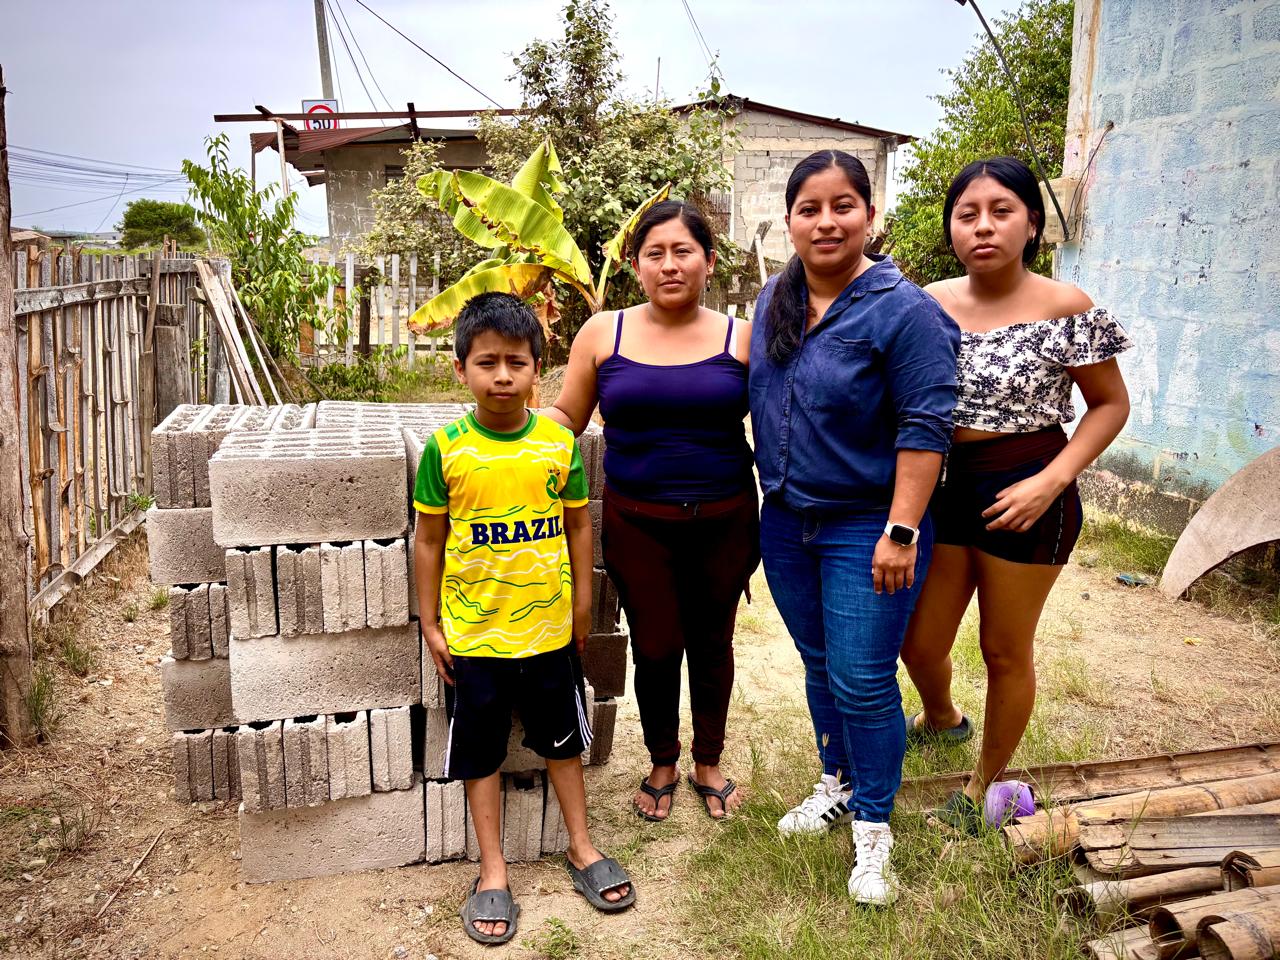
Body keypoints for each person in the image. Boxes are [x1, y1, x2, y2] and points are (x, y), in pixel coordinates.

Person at [750, 150, 960, 905]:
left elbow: (926, 427)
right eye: (809, 208)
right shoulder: (776, 297)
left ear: (871, 215)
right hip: (786, 520)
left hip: (867, 525)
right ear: (789, 220)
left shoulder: (906, 311)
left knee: (864, 679)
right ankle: (836, 781)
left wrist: (901, 530)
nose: (827, 221)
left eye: (843, 205)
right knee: (818, 662)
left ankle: (875, 828)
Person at [900, 156, 1132, 834]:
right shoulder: (928, 303)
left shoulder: (1067, 306)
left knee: (1004, 649)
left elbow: (1110, 405)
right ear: (950, 228)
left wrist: (1052, 480)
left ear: (1032, 223)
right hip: (945, 488)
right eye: (967, 214)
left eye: (1001, 211)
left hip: (1030, 486)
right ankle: (942, 717)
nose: (983, 227)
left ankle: (981, 787)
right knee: (918, 642)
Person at [413, 293, 635, 946]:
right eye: (487, 363)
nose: (503, 376)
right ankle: (492, 868)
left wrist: (584, 604)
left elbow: (579, 525)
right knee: (480, 752)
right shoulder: (445, 450)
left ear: (540, 368)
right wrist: (430, 623)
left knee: (562, 742)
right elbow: (428, 541)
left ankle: (581, 845)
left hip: (548, 635)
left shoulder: (558, 443)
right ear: (461, 369)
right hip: (475, 638)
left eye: (517, 362)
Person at [548, 200, 758, 822]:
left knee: (713, 643)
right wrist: (503, 435)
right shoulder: (602, 333)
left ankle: (708, 761)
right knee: (656, 645)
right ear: (636, 265)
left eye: (683, 251)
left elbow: (782, 423)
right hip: (637, 523)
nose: (670, 265)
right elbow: (567, 416)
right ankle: (662, 759)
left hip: (725, 520)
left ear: (709, 261)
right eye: (655, 253)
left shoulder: (742, 337)